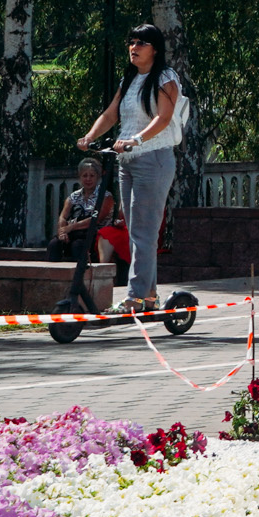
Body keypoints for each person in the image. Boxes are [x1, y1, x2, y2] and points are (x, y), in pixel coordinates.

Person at [76, 24, 183, 311]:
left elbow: (163, 118)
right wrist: (90, 136)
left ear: (155, 49)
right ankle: (147, 296)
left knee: (144, 232)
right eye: (131, 42)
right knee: (135, 229)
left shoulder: (165, 77)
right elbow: (111, 114)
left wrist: (135, 140)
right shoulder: (130, 79)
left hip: (154, 158)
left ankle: (136, 297)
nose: (134, 47)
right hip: (128, 162)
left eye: (142, 43)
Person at [49, 156, 118, 264]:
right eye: (85, 176)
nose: (88, 179)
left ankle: (81, 278)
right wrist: (62, 231)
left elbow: (97, 218)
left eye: (92, 176)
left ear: (98, 177)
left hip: (94, 234)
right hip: (73, 232)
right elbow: (63, 216)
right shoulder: (74, 196)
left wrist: (71, 227)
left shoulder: (105, 196)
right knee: (54, 244)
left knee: (78, 246)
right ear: (80, 177)